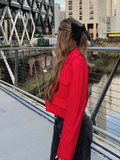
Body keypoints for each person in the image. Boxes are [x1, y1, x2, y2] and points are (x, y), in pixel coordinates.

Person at [45, 17, 93, 160]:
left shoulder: (77, 64)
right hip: (62, 126)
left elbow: (74, 111)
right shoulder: (67, 60)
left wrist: (64, 152)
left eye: (58, 34)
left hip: (74, 131)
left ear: (64, 36)